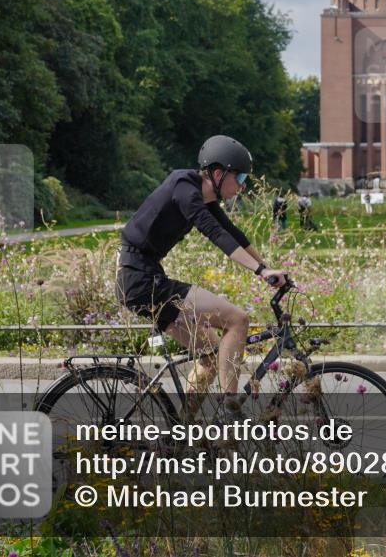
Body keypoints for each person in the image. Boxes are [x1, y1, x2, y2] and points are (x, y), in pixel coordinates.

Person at [115, 135, 286, 416]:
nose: (243, 185)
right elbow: (215, 234)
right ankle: (231, 415)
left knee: (210, 353)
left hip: (142, 278)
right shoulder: (184, 187)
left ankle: (180, 432)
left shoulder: (202, 197)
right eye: (240, 176)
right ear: (218, 174)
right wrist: (260, 271)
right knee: (237, 320)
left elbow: (233, 233)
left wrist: (267, 269)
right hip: (142, 280)